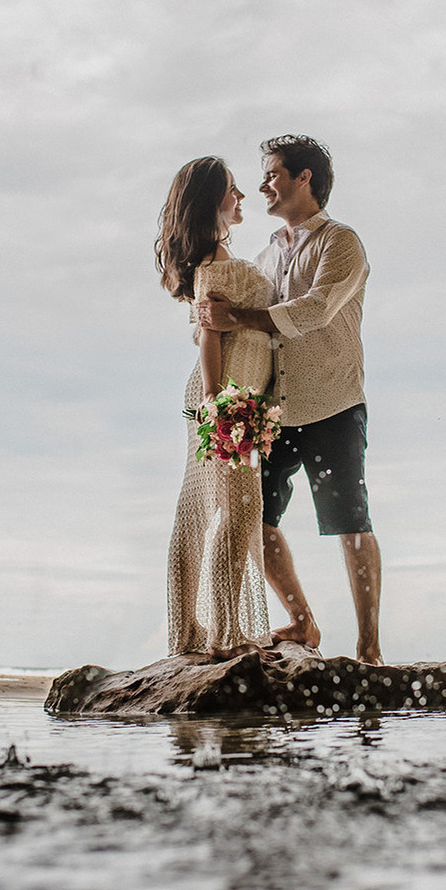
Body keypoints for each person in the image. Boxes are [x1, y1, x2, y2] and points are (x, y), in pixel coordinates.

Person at [195, 135, 382, 665]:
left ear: (304, 177)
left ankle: (369, 647)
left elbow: (316, 309)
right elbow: (233, 323)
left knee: (351, 523)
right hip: (271, 411)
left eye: (273, 174)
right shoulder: (264, 255)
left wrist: (237, 316)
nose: (262, 187)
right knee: (255, 520)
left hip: (334, 403)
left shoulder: (341, 242)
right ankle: (303, 622)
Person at [157, 156, 276, 659]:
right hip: (225, 396)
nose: (242, 196)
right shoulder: (214, 258)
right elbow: (209, 332)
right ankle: (227, 635)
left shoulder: (216, 255)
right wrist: (216, 403)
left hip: (227, 393)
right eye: (233, 188)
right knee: (237, 509)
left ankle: (193, 629)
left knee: (201, 510)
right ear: (212, 200)